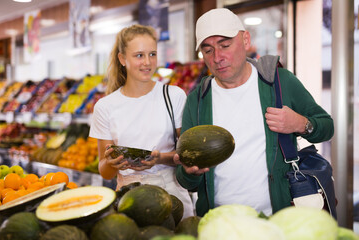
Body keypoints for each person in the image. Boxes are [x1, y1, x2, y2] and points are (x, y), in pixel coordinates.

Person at [174, 8, 334, 217]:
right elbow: (187, 181)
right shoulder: (197, 100)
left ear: (246, 40)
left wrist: (300, 124)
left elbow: (326, 127)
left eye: (225, 45)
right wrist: (189, 172)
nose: (218, 57)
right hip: (219, 222)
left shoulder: (280, 81)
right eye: (208, 50)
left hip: (278, 218)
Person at [89, 24, 194, 219]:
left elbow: (189, 154)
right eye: (139, 55)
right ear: (122, 59)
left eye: (152, 54)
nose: (147, 62)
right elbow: (105, 172)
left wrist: (159, 158)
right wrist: (113, 163)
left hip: (172, 195)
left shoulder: (173, 96)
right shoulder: (105, 107)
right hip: (130, 198)